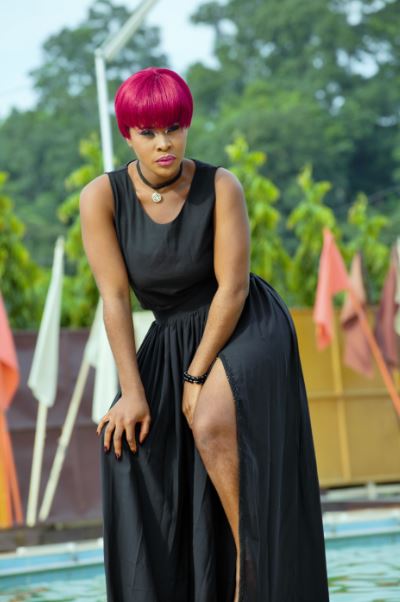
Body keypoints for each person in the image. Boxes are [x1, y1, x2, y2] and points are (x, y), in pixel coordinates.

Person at [79, 66, 330, 602]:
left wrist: (194, 380)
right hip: (169, 335)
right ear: (128, 135)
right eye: (148, 132)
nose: (164, 143)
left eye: (174, 128)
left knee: (211, 419)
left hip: (242, 325)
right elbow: (115, 299)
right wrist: (133, 393)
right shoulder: (102, 197)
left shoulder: (221, 186)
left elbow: (232, 289)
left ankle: (252, 580)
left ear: (187, 125)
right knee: (127, 445)